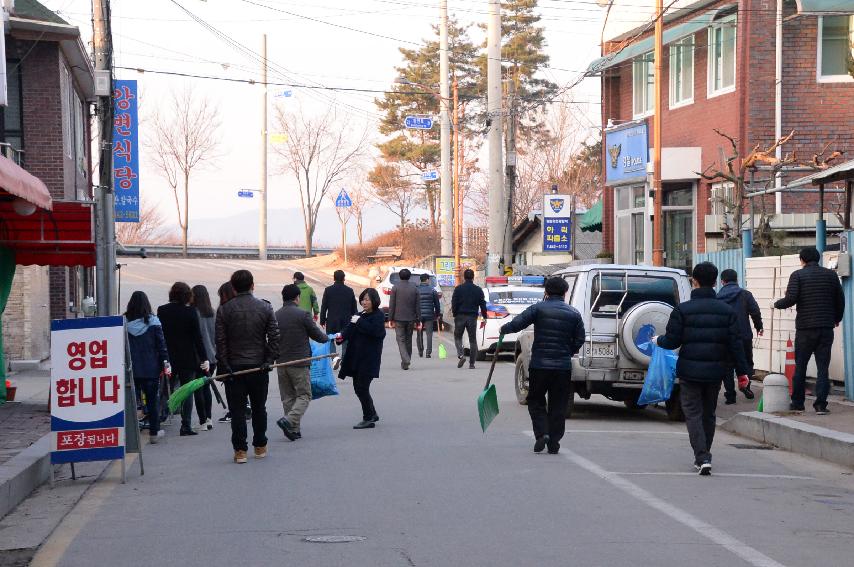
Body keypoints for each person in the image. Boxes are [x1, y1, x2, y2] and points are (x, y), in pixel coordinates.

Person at [654, 262, 750, 476]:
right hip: (716, 371)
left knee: (693, 414)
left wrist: (657, 340)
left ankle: (702, 456)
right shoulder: (727, 311)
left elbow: (672, 341)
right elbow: (736, 344)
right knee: (709, 413)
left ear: (694, 282)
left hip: (689, 371)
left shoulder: (683, 310)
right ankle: (705, 453)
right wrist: (743, 373)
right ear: (715, 282)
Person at [499, 277, 585, 455]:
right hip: (562, 367)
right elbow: (580, 339)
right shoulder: (574, 313)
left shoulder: (537, 308)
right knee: (558, 404)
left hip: (539, 365)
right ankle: (554, 441)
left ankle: (542, 433)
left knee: (536, 399)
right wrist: (568, 351)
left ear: (546, 292)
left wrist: (504, 329)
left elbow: (518, 324)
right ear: (564, 293)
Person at [216, 270, 280, 463]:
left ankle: (240, 451)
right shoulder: (265, 307)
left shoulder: (224, 310)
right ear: (253, 285)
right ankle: (260, 446)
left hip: (234, 368)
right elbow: (275, 337)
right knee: (259, 408)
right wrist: (269, 360)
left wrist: (226, 365)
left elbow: (220, 341)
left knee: (237, 411)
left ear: (233, 287)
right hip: (258, 367)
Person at [773, 246, 845, 415]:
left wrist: (776, 304)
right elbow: (840, 300)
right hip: (826, 327)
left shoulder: (797, 275)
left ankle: (798, 403)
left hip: (805, 328)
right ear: (818, 259)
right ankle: (821, 405)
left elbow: (791, 298)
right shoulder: (831, 275)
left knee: (801, 367)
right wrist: (836, 319)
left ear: (802, 260)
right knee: (823, 367)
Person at [275, 284, 329, 441]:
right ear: (297, 297)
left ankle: (293, 429)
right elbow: (318, 335)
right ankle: (289, 421)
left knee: (288, 397)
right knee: (304, 395)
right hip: (299, 362)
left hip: (281, 363)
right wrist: (327, 338)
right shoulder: (302, 314)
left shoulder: (276, 315)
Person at [157, 282, 209, 437]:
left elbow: (160, 335)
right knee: (187, 391)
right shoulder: (191, 312)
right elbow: (197, 338)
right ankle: (185, 425)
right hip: (188, 359)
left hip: (169, 358)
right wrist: (204, 358)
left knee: (166, 388)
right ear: (187, 296)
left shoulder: (162, 310)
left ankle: (159, 418)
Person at [338, 288, 386, 429]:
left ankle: (368, 418)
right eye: (363, 299)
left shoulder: (378, 316)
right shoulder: (359, 315)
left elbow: (376, 332)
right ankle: (372, 413)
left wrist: (359, 322)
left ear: (374, 301)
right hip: (355, 358)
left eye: (367, 299)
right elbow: (348, 331)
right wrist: (340, 337)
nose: (364, 302)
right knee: (358, 388)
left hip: (369, 358)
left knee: (362, 387)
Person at [125, 291, 170, 444]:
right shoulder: (154, 322)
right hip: (151, 368)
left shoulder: (124, 322)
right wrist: (166, 363)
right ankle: (154, 433)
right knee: (152, 401)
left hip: (131, 369)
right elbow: (161, 345)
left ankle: (129, 434)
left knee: (130, 401)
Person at [717, 269, 762, 404]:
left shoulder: (718, 297)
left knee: (727, 367)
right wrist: (759, 326)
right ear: (737, 280)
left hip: (725, 337)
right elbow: (755, 311)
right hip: (744, 336)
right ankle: (745, 386)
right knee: (745, 363)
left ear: (722, 281)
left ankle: (730, 395)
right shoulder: (745, 295)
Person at [319, 269, 357, 369]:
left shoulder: (328, 290)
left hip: (332, 321)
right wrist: (355, 321)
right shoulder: (349, 290)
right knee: (345, 340)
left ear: (334, 278)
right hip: (346, 321)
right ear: (344, 278)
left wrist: (322, 320)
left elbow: (324, 306)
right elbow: (354, 308)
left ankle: (334, 358)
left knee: (331, 340)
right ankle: (344, 361)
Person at [191, 285, 217, 431]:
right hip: (212, 357)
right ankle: (209, 419)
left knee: (198, 389)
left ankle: (203, 421)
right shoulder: (212, 312)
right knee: (206, 387)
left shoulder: (194, 313)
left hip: (198, 357)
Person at [451, 269, 487, 369]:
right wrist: (485, 316)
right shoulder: (478, 290)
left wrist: (455, 314)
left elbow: (454, 303)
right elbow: (482, 304)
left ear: (464, 277)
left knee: (458, 337)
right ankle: (472, 364)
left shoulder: (458, 289)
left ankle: (461, 355)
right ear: (473, 277)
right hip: (472, 317)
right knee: (472, 340)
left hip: (460, 316)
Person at [215, 281, 240, 424]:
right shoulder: (248, 308)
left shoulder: (224, 310)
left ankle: (235, 412)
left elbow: (220, 339)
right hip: (250, 359)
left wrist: (222, 360)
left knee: (233, 391)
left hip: (231, 359)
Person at [388, 268, 420, 370]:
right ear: (409, 276)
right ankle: (406, 360)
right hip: (411, 318)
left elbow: (392, 304)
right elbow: (417, 305)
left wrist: (390, 319)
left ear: (400, 276)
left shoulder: (395, 287)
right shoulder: (414, 288)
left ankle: (406, 360)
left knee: (400, 339)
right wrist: (418, 319)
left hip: (398, 318)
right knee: (408, 339)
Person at [416, 273, 441, 358]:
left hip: (419, 316)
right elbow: (437, 304)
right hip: (429, 315)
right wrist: (437, 314)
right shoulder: (433, 290)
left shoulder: (416, 290)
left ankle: (420, 351)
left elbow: (413, 303)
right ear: (427, 280)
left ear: (420, 280)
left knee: (419, 333)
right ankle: (428, 353)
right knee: (429, 334)